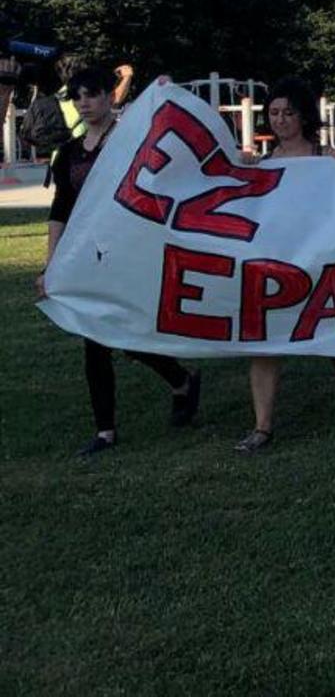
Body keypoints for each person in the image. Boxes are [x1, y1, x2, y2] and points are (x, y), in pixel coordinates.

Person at [42, 66, 202, 456]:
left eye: (92, 94)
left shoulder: (131, 141)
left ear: (109, 96)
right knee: (94, 339)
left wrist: (163, 92)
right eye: (78, 96)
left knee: (128, 334)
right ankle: (106, 430)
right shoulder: (68, 153)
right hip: (89, 256)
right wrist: (51, 265)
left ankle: (180, 379)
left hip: (134, 250)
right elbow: (60, 208)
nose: (85, 103)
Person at [235, 80, 335, 453]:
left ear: (303, 115)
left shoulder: (325, 157)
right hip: (276, 261)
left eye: (288, 112)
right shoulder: (263, 164)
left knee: (334, 334)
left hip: (322, 257)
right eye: (273, 113)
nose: (281, 120)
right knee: (263, 341)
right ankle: (262, 425)